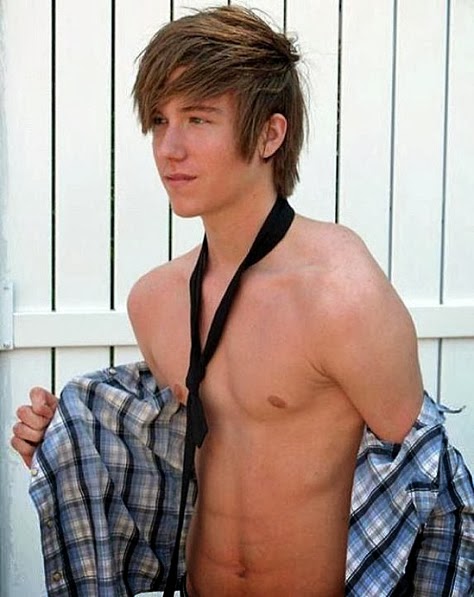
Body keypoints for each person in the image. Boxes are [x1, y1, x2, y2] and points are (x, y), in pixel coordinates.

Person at [10, 6, 474, 596]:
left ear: (269, 135)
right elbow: (180, 458)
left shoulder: (340, 292)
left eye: (198, 119)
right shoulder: (156, 300)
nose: (169, 148)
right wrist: (65, 442)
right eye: (159, 120)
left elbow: (430, 498)